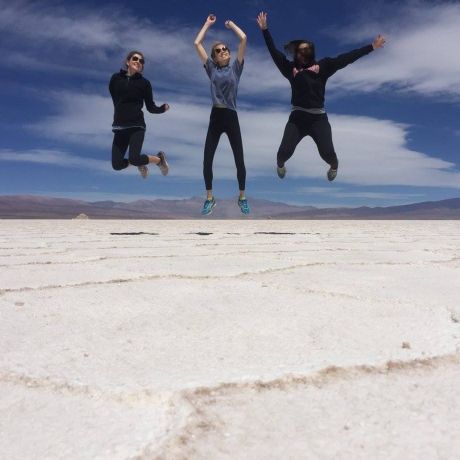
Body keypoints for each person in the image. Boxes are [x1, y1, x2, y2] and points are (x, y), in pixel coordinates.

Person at [256, 12, 386, 182]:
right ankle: (281, 166)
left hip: (318, 119)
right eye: (299, 51)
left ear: (311, 53)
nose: (302, 54)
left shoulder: (323, 67)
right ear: (296, 54)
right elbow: (274, 53)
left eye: (306, 50)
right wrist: (265, 30)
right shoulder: (290, 70)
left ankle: (334, 166)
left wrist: (371, 47)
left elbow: (346, 58)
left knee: (328, 154)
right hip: (297, 118)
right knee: (282, 154)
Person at [194, 14, 250, 215]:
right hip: (215, 117)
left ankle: (242, 197)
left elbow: (243, 39)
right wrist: (207, 24)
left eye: (225, 49)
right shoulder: (211, 69)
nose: (224, 51)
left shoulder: (236, 69)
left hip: (231, 117)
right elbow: (197, 43)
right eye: (218, 51)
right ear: (214, 57)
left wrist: (232, 25)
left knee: (239, 160)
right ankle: (210, 198)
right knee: (207, 159)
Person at [109, 50, 170, 179]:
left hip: (136, 126)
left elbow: (150, 107)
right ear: (128, 61)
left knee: (135, 158)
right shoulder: (115, 79)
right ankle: (142, 163)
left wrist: (162, 109)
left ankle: (159, 160)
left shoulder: (144, 84)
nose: (138, 62)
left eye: (141, 61)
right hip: (119, 128)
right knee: (117, 165)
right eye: (135, 59)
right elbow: (115, 99)